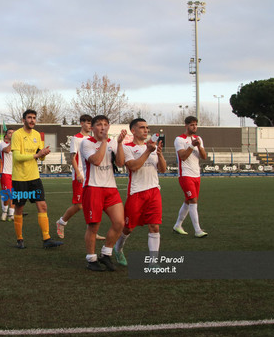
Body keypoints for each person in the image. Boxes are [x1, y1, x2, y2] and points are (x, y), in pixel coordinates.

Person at [114, 118, 167, 266]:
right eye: (142, 127)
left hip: (154, 191)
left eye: (147, 127)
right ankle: (118, 249)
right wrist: (148, 152)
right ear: (133, 131)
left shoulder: (152, 147)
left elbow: (162, 169)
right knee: (128, 227)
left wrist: (160, 154)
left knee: (154, 226)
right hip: (136, 192)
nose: (146, 130)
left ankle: (153, 261)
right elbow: (133, 167)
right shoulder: (127, 147)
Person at [10, 109, 63, 249]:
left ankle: (47, 239)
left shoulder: (37, 135)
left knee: (42, 205)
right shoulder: (17, 135)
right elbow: (17, 157)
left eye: (34, 118)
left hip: (35, 178)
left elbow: (40, 155)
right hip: (20, 178)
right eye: (29, 117)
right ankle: (19, 239)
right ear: (23, 120)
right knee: (19, 207)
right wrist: (36, 155)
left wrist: (43, 154)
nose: (32, 120)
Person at [80, 115, 127, 271]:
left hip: (110, 188)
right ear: (92, 128)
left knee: (120, 222)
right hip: (93, 187)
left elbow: (120, 163)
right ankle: (91, 259)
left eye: (105, 124)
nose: (102, 127)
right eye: (99, 125)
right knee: (93, 226)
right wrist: (105, 141)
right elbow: (96, 161)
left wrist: (119, 144)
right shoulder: (86, 142)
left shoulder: (113, 142)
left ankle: (106, 254)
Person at [56, 114, 105, 240]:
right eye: (88, 123)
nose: (89, 125)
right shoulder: (76, 139)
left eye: (91, 123)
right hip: (80, 176)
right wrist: (77, 172)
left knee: (92, 204)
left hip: (91, 176)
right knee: (79, 205)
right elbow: (72, 157)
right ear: (82, 123)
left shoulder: (91, 139)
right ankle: (61, 222)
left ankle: (93, 232)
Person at [173, 116, 208, 238]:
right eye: (192, 124)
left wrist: (198, 145)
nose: (194, 127)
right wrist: (192, 146)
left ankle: (178, 225)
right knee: (193, 200)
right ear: (186, 126)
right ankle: (197, 230)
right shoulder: (179, 139)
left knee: (188, 201)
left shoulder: (198, 139)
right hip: (185, 175)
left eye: (196, 124)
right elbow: (182, 156)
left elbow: (203, 157)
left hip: (196, 175)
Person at [0, 128, 15, 221]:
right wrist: (14, 141)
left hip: (16, 173)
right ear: (6, 135)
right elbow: (8, 150)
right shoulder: (3, 144)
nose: (12, 134)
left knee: (14, 194)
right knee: (7, 194)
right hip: (6, 172)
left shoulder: (18, 145)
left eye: (13, 133)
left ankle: (11, 214)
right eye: (10, 133)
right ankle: (5, 211)